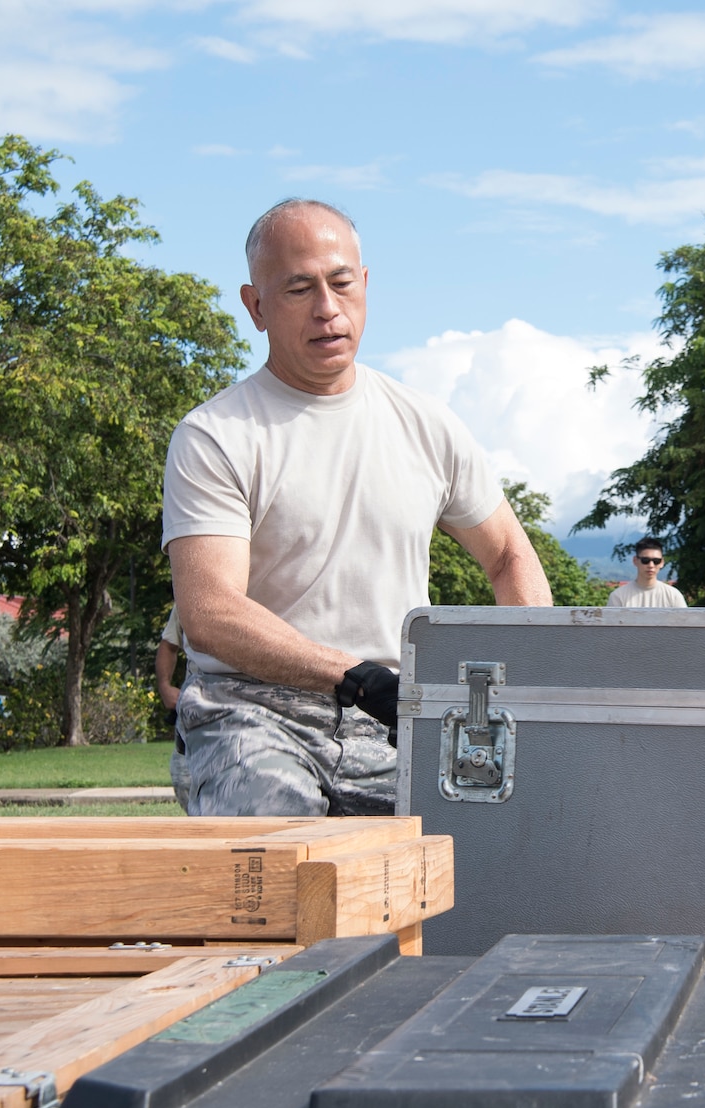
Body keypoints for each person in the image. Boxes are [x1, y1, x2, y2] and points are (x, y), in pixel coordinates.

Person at [165, 198, 552, 817]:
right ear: (256, 306)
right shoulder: (215, 435)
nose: (327, 308)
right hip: (253, 714)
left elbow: (508, 553)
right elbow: (209, 611)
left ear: (365, 284)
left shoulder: (428, 426)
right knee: (282, 861)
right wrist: (355, 676)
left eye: (341, 283)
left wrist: (533, 682)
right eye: (298, 289)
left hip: (399, 718)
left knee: (489, 864)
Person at [154, 608, 190, 812]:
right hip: (195, 710)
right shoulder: (193, 595)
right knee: (184, 780)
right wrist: (164, 686)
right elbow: (168, 646)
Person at [606, 538, 688, 608]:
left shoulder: (673, 595)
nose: (651, 565)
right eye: (645, 560)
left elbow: (685, 623)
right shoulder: (618, 596)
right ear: (635, 561)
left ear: (662, 562)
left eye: (656, 561)